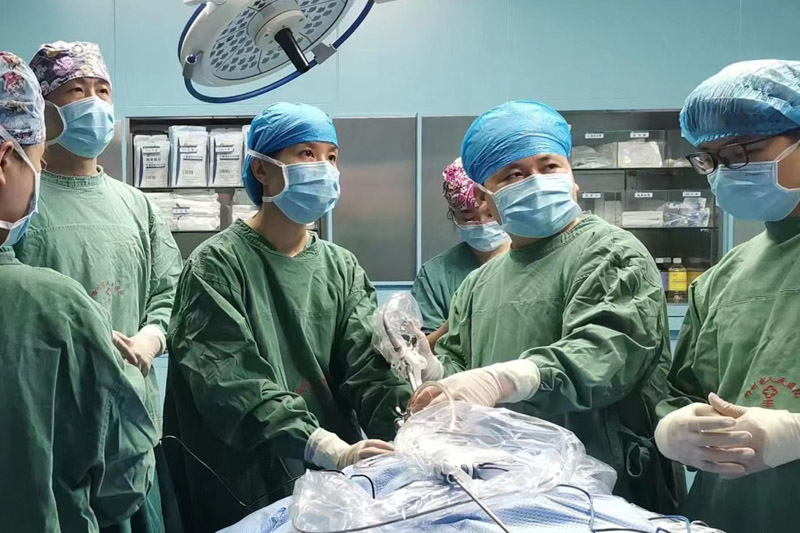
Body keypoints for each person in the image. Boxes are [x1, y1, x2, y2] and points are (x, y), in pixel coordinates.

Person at [410, 100, 683, 513]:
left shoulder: (610, 253)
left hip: (607, 488)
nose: (536, 181)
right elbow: (461, 368)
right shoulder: (478, 284)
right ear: (486, 199)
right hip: (507, 489)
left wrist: (504, 380)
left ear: (572, 177)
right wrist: (433, 373)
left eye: (549, 166)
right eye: (514, 174)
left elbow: (604, 356)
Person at [163, 102, 412, 532]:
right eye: (307, 154)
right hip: (244, 481)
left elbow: (367, 371)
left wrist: (408, 426)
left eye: (331, 157)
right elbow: (229, 381)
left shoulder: (341, 267)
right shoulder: (216, 265)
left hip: (333, 484)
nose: (325, 168)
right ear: (262, 169)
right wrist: (320, 444)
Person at [15, 41, 183, 533]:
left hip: (131, 425)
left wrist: (154, 334)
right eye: (76, 90)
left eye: (103, 90)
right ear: (44, 108)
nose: (94, 102)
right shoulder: (22, 203)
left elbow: (170, 287)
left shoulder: (137, 206)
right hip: (51, 424)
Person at [654, 60, 800, 533]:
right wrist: (675, 428)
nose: (725, 171)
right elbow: (683, 393)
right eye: (711, 160)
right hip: (726, 515)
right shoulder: (723, 278)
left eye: (742, 150)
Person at [411, 158, 509, 348]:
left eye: (490, 214)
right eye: (469, 218)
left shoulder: (530, 258)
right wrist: (460, 319)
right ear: (453, 216)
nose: (482, 224)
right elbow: (423, 351)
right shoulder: (435, 275)